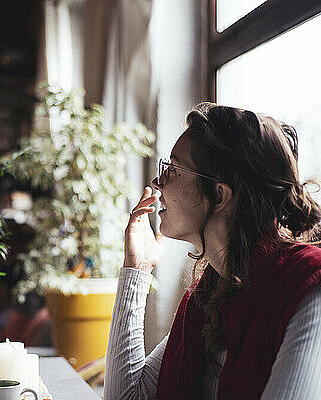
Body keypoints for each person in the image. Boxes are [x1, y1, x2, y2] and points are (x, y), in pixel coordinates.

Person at [103, 102, 321, 399]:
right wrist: (136, 270)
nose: (157, 182)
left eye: (173, 168)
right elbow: (126, 397)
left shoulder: (308, 286)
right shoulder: (211, 294)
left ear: (219, 195)